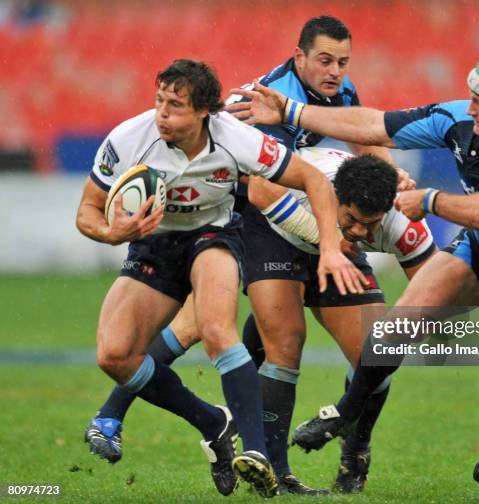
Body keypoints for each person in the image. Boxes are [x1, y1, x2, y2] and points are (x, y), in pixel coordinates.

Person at [227, 51, 479, 493]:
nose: (469, 108)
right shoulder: (458, 119)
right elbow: (375, 126)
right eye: (471, 97)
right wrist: (291, 110)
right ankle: (343, 414)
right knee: (393, 328)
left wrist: (432, 201)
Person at [84, 15, 413, 496]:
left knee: (241, 333)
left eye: (342, 61)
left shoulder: (337, 91)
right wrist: (328, 247)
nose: (335, 70)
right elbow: (261, 191)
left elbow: (364, 137)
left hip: (288, 219)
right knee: (224, 329)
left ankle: (344, 457)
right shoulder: (258, 102)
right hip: (247, 220)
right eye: (324, 60)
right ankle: (264, 464)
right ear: (298, 57)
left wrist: (391, 175)